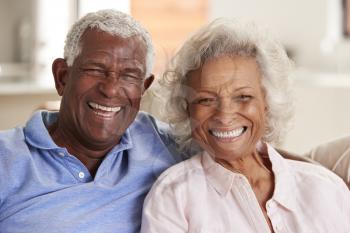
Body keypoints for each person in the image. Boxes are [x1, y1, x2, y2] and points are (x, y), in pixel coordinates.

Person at [141, 18, 350, 233]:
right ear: (187, 109)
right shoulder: (174, 197)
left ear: (267, 103)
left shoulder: (326, 188)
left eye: (243, 97)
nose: (225, 115)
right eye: (206, 99)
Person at [0, 9, 184, 233]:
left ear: (143, 88)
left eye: (129, 75)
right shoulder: (5, 158)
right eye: (95, 69)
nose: (110, 89)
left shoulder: (168, 145)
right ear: (62, 77)